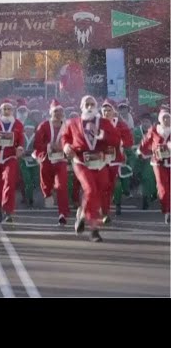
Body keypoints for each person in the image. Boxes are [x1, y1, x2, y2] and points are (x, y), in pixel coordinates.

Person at [62, 95, 120, 242]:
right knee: (90, 189)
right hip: (81, 162)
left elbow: (116, 140)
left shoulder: (104, 123)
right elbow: (65, 137)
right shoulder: (73, 123)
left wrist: (103, 136)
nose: (89, 107)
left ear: (96, 106)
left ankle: (82, 215)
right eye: (86, 104)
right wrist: (66, 146)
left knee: (98, 194)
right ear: (81, 107)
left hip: (100, 162)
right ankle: (94, 230)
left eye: (92, 104)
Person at [34, 99, 69, 224]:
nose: (58, 113)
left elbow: (73, 141)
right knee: (45, 176)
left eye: (60, 111)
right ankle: (47, 193)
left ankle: (63, 214)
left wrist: (64, 146)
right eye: (55, 111)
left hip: (61, 159)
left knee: (61, 186)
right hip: (47, 158)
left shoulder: (67, 125)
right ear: (51, 112)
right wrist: (49, 145)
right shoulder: (43, 125)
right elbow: (37, 144)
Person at [138, 109, 171, 224]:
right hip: (158, 162)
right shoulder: (154, 130)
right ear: (160, 119)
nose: (167, 120)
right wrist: (140, 152)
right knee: (163, 188)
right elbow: (145, 143)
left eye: (168, 117)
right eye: (164, 118)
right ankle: (166, 211)